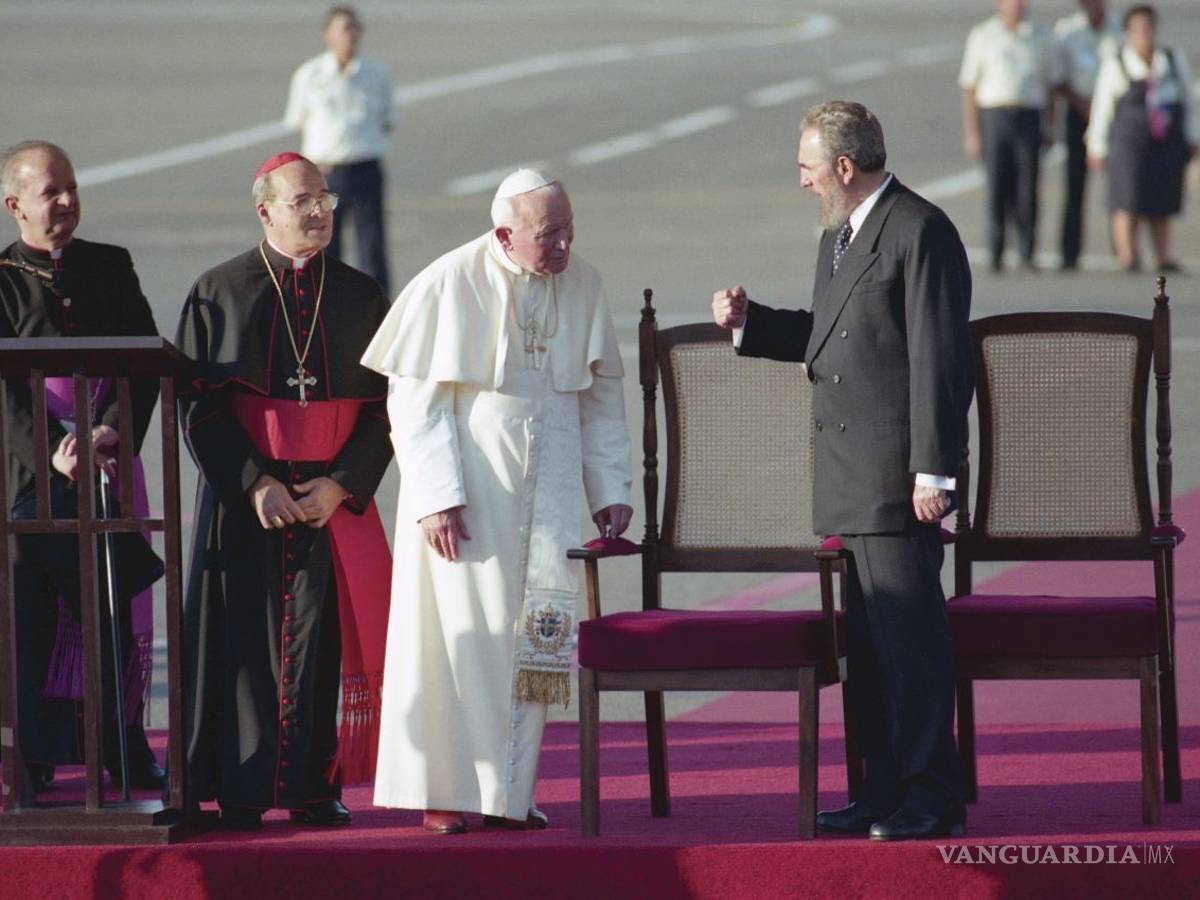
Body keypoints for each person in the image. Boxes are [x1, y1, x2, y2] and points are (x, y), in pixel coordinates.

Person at [711, 102, 973, 841]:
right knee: (870, 654)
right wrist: (750, 324)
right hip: (849, 478)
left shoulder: (919, 232)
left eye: (807, 168)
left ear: (845, 168)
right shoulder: (840, 235)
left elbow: (939, 361)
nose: (802, 182)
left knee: (912, 649)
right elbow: (827, 336)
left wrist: (935, 474)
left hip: (895, 480)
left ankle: (931, 793)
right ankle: (881, 788)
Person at [362, 169, 633, 835]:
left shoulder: (584, 283)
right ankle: (448, 792)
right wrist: (436, 497)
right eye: (550, 235)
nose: (564, 245)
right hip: (470, 499)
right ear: (505, 234)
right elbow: (415, 405)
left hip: (552, 493)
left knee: (539, 638)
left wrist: (612, 491)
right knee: (463, 642)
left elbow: (600, 401)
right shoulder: (449, 283)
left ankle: (511, 793)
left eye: (569, 230)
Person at [177, 152, 393, 831]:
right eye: (304, 201)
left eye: (325, 198)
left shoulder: (362, 296)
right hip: (251, 503)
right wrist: (253, 484)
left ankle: (312, 784)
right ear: (265, 209)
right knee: (243, 644)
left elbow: (389, 409)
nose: (320, 211)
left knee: (326, 642)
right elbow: (200, 410)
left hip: (330, 500)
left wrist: (342, 483)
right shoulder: (220, 291)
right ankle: (240, 788)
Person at [0, 140, 164, 793]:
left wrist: (109, 432)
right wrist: (53, 453)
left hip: (107, 459)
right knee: (33, 617)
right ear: (15, 206)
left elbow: (146, 360)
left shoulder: (109, 266)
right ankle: (34, 756)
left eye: (71, 188)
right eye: (50, 193)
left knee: (115, 608)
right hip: (31, 477)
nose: (67, 202)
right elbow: (5, 393)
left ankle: (120, 746)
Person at [285, 5, 394, 295]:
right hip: (325, 173)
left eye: (354, 28)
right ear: (327, 34)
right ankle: (324, 307)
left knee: (372, 247)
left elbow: (387, 121)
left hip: (366, 168)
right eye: (344, 28)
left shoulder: (376, 74)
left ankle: (378, 310)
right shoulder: (309, 76)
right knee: (324, 245)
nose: (351, 34)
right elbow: (297, 120)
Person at [1086, 4, 1198, 273]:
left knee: (1162, 199)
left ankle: (1162, 254)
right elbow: (1102, 108)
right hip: (1129, 142)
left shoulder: (1170, 59)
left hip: (1164, 139)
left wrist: (1193, 135)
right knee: (1127, 197)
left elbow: (1190, 100)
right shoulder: (1118, 63)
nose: (1145, 34)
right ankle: (1127, 253)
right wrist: (1096, 145)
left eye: (1149, 27)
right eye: (1139, 29)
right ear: (1128, 32)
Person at [960, 0, 1066, 271]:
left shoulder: (1040, 36)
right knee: (997, 186)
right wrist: (973, 132)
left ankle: (1027, 250)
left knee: (1028, 187)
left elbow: (1051, 86)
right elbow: (970, 87)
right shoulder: (983, 35)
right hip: (995, 115)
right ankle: (995, 250)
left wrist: (1050, 126)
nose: (1017, 6)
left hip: (1029, 115)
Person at [1054, 0, 1121, 270]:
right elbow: (1059, 78)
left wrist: (1103, 108)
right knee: (1074, 185)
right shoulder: (1068, 31)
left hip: (1114, 115)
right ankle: (1069, 252)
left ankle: (1122, 249)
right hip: (1077, 112)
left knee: (1118, 186)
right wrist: (1085, 107)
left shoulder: (1118, 28)